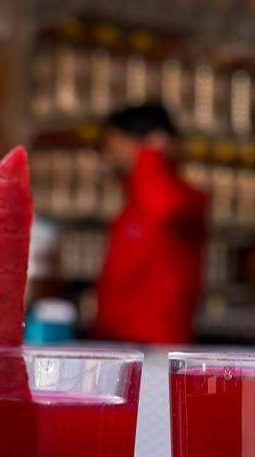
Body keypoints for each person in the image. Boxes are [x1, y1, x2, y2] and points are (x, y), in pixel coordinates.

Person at [93, 104, 208, 344]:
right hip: (117, 341)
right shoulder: (132, 205)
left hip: (156, 347)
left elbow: (166, 208)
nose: (109, 152)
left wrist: (152, 154)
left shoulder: (182, 200)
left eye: (114, 141)